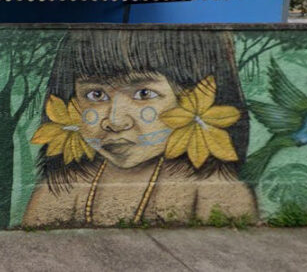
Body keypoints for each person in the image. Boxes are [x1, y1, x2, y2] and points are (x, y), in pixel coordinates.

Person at [21, 30, 256, 227]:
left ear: (196, 96)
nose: (115, 121)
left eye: (144, 94)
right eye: (96, 94)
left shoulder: (213, 190)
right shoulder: (65, 186)